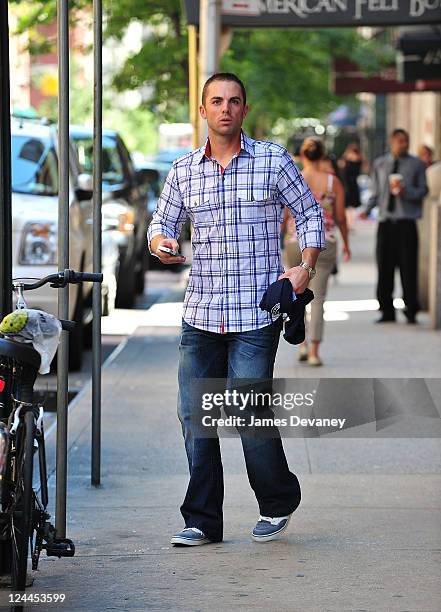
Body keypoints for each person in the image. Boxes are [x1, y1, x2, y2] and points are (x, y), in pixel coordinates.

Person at [147, 73, 325, 546]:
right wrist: (160, 242)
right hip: (201, 314)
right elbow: (162, 221)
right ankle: (202, 520)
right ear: (202, 111)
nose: (225, 108)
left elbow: (309, 212)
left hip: (255, 316)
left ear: (244, 110)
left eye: (234, 101)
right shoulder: (184, 171)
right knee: (193, 416)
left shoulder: (272, 160)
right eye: (216, 101)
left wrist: (305, 266)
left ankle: (277, 500)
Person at [282, 138, 350, 366]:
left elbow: (283, 216)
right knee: (318, 299)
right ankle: (313, 351)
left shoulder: (294, 180)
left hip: (295, 242)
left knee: (296, 294)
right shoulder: (333, 182)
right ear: (322, 156)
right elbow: (340, 217)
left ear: (302, 155)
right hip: (325, 242)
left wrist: (280, 237)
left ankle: (300, 344)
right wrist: (347, 244)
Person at [360, 129, 428, 324]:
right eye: (400, 141)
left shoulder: (416, 164)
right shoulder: (380, 164)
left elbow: (423, 190)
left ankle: (411, 308)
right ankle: (386, 310)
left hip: (407, 222)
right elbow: (375, 191)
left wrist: (406, 191)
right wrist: (367, 209)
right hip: (386, 223)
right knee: (384, 268)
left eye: (406, 141)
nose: (404, 145)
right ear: (392, 142)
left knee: (408, 268)